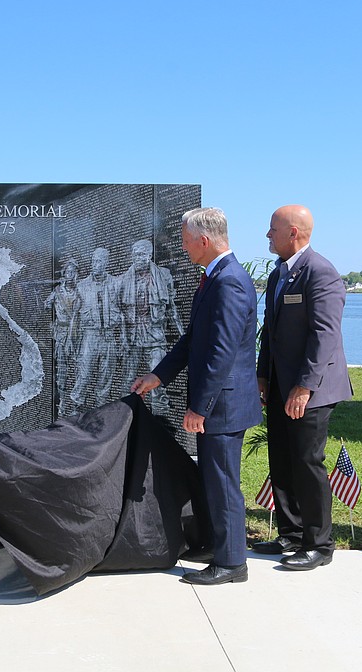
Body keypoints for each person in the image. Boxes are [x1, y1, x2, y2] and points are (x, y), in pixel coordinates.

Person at [132, 207, 261, 585]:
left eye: (187, 242)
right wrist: (158, 376)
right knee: (215, 481)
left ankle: (232, 564)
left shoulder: (230, 282)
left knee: (223, 483)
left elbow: (221, 352)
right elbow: (193, 341)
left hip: (222, 405)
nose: (184, 248)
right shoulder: (214, 277)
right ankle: (221, 547)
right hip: (218, 403)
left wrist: (198, 408)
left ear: (204, 241)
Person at [251, 205, 352, 570]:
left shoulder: (320, 272)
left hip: (311, 389)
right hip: (280, 384)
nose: (267, 235)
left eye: (272, 229)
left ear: (293, 232)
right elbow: (271, 332)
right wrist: (263, 375)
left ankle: (319, 544)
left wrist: (304, 387)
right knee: (281, 458)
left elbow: (325, 336)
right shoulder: (281, 274)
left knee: (307, 462)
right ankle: (291, 534)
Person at [119, 239, 183, 416]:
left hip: (155, 338)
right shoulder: (124, 280)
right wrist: (124, 337)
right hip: (133, 339)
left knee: (158, 384)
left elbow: (171, 308)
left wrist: (184, 336)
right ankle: (124, 423)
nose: (138, 258)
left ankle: (161, 424)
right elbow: (121, 312)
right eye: (135, 254)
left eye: (142, 254)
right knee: (128, 383)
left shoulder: (164, 275)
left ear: (149, 255)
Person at [68, 247, 121, 412]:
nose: (95, 265)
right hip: (90, 335)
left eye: (99, 261)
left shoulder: (116, 283)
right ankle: (75, 407)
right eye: (93, 261)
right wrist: (71, 338)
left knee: (106, 375)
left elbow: (124, 311)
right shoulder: (82, 285)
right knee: (84, 374)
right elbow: (75, 316)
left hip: (109, 336)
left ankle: (101, 409)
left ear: (106, 263)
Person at [44, 258, 79, 416]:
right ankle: (63, 402)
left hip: (77, 334)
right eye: (68, 272)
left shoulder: (80, 290)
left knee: (78, 369)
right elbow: (46, 305)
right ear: (64, 274)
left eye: (73, 272)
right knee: (62, 370)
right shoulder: (57, 291)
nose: (70, 274)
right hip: (62, 334)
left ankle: (75, 403)